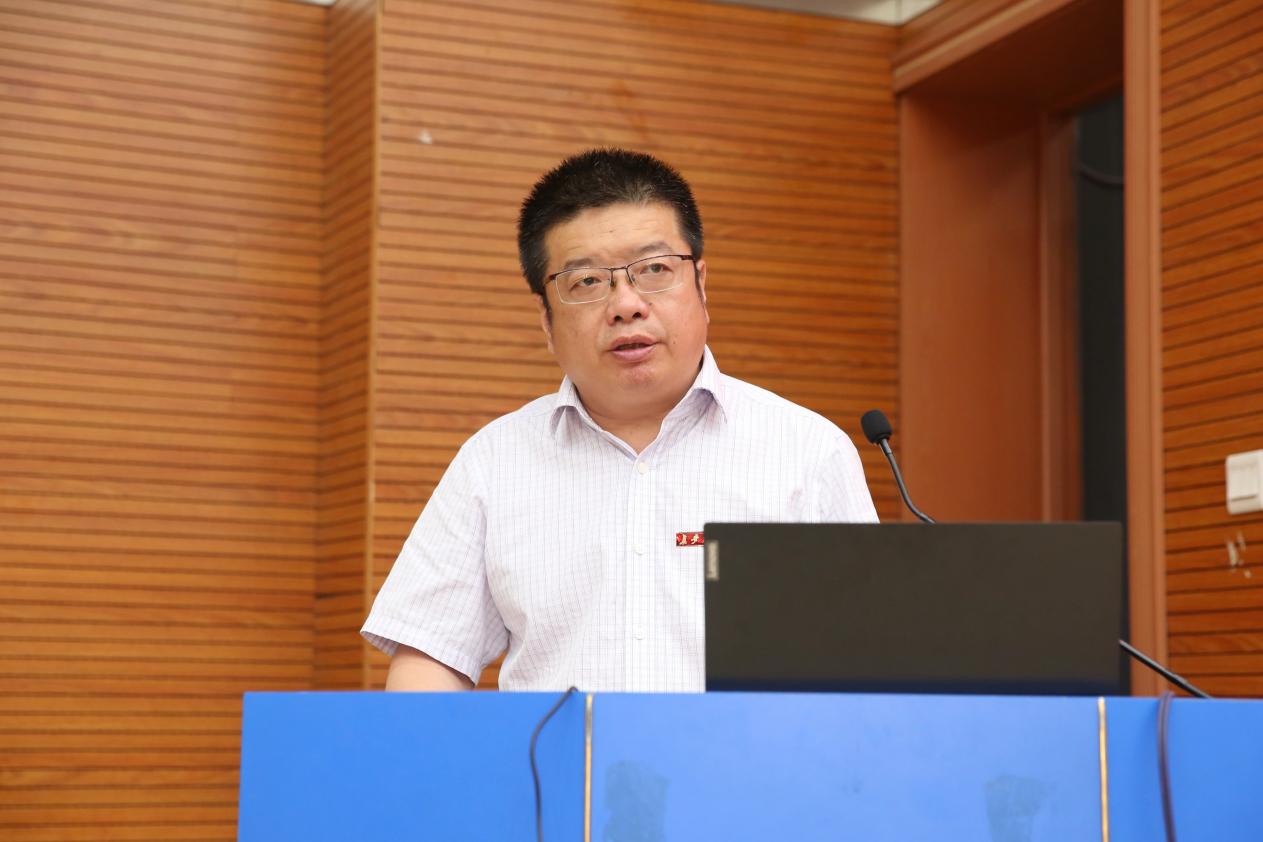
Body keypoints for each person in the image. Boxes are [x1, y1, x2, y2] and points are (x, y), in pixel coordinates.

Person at [361, 148, 877, 692]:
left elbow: (866, 659)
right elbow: (431, 659)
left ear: (702, 286)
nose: (626, 305)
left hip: (748, 752)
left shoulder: (806, 451)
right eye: (586, 281)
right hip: (559, 754)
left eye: (654, 270)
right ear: (546, 319)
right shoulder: (494, 462)